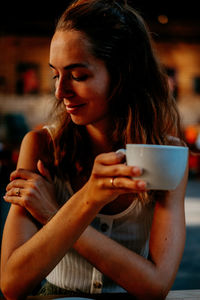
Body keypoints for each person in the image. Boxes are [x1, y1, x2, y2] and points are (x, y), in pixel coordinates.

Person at [1, 0, 188, 299]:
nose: (60, 92)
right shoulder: (41, 147)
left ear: (123, 76)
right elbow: (12, 283)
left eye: (78, 76)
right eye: (55, 75)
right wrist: (88, 197)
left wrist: (54, 213)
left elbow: (156, 286)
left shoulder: (168, 154)